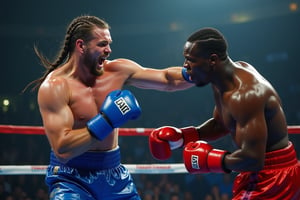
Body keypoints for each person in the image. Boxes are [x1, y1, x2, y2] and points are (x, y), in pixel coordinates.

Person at [28, 15, 193, 200]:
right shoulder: (55, 87)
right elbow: (63, 149)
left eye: (109, 43)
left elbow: (167, 79)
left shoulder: (117, 71)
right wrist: (106, 120)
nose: (109, 50)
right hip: (71, 178)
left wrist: (198, 71)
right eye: (102, 44)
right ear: (81, 46)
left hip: (114, 175)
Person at [149, 27, 300, 199]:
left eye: (190, 60)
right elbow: (221, 124)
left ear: (212, 60)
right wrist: (185, 136)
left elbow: (253, 159)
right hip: (258, 172)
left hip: (273, 176)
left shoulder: (245, 95)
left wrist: (209, 160)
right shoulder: (221, 79)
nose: (185, 66)